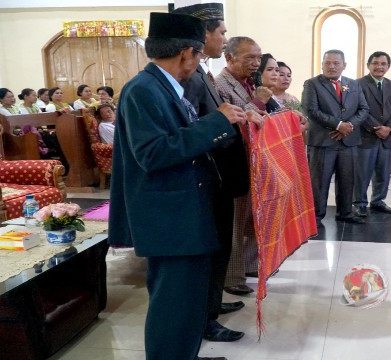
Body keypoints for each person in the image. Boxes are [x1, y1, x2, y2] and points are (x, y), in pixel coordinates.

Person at [107, 11, 256, 360]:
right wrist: (214, 124)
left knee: (189, 304)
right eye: (199, 55)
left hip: (186, 214)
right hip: (170, 220)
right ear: (187, 53)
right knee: (172, 307)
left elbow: (184, 137)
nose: (199, 62)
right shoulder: (143, 90)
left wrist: (230, 124)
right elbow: (154, 153)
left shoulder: (164, 87)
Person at [173, 2, 248, 344]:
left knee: (219, 247)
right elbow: (194, 124)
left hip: (219, 173)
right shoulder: (189, 76)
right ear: (203, 35)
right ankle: (206, 318)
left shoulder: (202, 70)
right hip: (208, 174)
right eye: (221, 32)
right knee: (211, 249)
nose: (225, 37)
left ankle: (213, 302)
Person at [214, 36, 265, 296]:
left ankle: (249, 265)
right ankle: (232, 276)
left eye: (258, 57)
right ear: (230, 58)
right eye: (249, 58)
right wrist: (255, 108)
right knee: (235, 220)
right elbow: (235, 120)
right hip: (233, 161)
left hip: (252, 160)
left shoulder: (248, 83)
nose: (256, 63)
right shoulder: (219, 84)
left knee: (251, 217)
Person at [302, 49, 369, 225]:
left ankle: (345, 212)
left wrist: (349, 126)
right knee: (320, 182)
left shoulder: (353, 84)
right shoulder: (312, 84)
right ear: (322, 64)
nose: (331, 66)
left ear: (344, 65)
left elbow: (364, 109)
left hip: (349, 141)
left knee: (347, 179)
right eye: (327, 63)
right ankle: (316, 216)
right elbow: (311, 110)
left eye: (336, 63)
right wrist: (338, 125)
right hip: (324, 141)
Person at [353, 51, 391, 217]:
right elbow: (358, 110)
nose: (379, 66)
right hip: (366, 136)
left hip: (386, 137)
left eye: (383, 64)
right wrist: (376, 128)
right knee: (362, 173)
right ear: (368, 65)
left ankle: (378, 200)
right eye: (375, 63)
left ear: (388, 66)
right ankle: (359, 203)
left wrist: (389, 128)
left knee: (383, 172)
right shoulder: (358, 84)